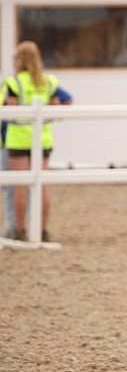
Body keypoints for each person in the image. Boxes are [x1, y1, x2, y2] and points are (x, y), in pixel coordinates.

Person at [3, 41, 68, 241]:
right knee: (42, 185)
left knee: (20, 186)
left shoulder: (14, 82)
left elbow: (10, 110)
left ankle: (20, 230)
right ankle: (41, 230)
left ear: (20, 60)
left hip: (19, 138)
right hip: (42, 138)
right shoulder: (48, 81)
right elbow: (59, 105)